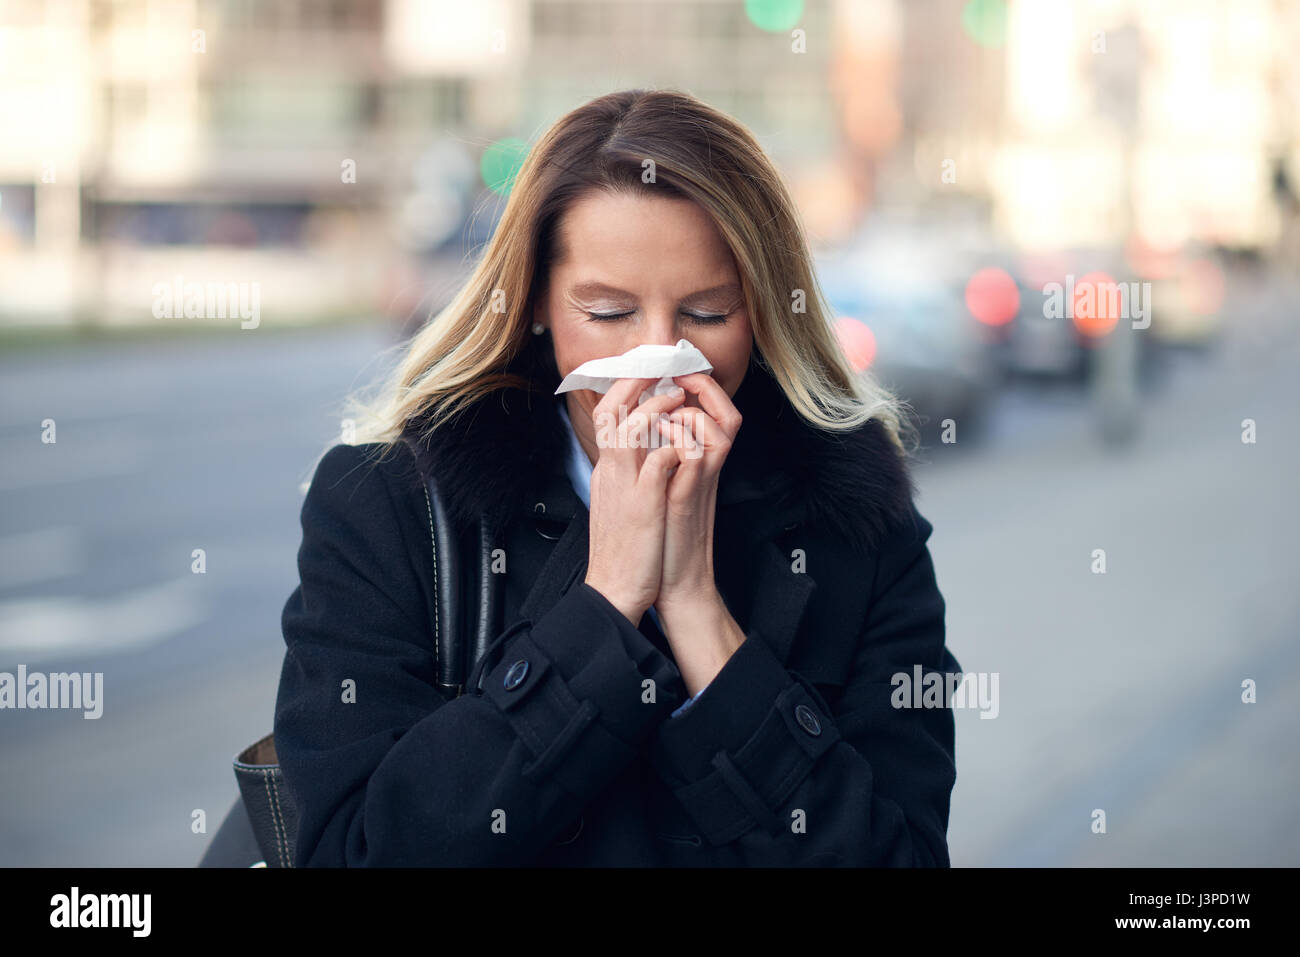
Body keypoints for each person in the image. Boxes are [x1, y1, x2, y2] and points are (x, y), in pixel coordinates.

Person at [274, 88, 960, 866]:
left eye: (706, 314)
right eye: (607, 312)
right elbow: (353, 849)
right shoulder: (389, 507)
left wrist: (700, 612)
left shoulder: (858, 526)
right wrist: (604, 603)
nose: (660, 360)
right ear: (535, 299)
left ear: (764, 310)